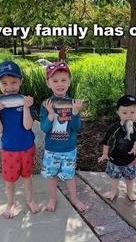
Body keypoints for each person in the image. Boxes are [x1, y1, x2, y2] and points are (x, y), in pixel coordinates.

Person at [0, 61, 40, 218]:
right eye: (4, 83)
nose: (9, 86)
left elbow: (27, 126)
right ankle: (11, 203)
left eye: (13, 82)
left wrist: (26, 108)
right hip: (9, 150)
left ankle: (29, 200)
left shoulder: (25, 101)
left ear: (21, 82)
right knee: (9, 181)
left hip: (26, 147)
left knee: (27, 177)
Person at [40, 61, 88, 212]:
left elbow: (76, 127)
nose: (59, 84)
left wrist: (75, 113)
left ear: (69, 81)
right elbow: (44, 128)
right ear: (48, 83)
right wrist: (49, 115)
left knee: (69, 176)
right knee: (52, 177)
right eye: (55, 81)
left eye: (63, 80)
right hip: (51, 150)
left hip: (68, 149)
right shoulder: (46, 104)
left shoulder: (73, 103)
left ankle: (74, 199)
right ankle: (52, 200)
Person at [98, 95, 136, 202]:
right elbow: (106, 142)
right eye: (124, 113)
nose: (129, 115)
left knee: (130, 178)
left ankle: (130, 191)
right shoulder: (114, 128)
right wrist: (105, 154)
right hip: (115, 159)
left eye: (132, 112)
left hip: (131, 160)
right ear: (118, 113)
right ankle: (113, 191)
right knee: (114, 177)